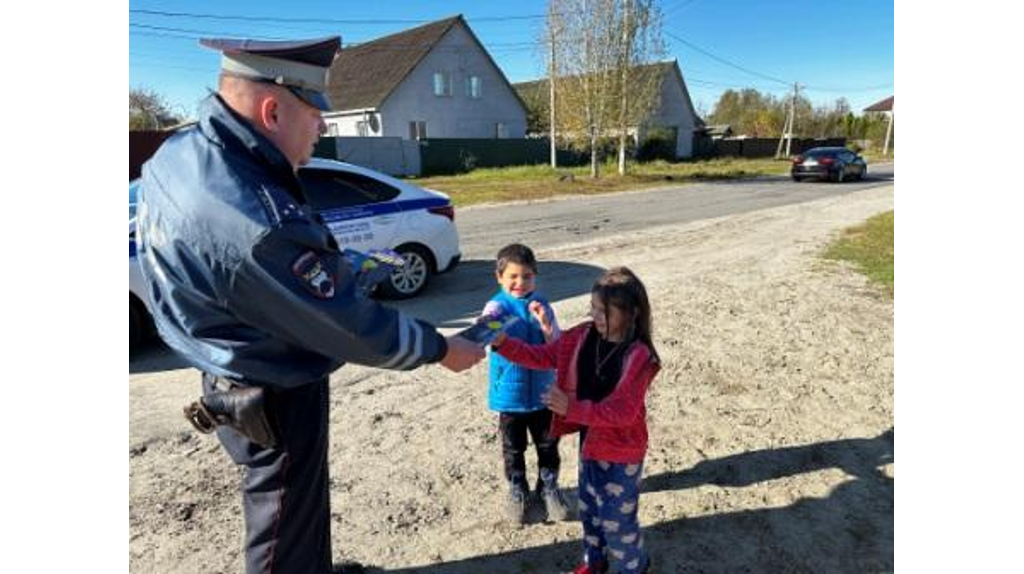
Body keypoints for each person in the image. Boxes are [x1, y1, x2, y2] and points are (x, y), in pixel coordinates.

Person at [135, 35, 485, 574]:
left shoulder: (179, 156)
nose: (323, 126)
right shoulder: (262, 219)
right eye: (316, 112)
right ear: (272, 110)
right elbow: (355, 329)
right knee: (280, 520)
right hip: (271, 386)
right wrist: (440, 348)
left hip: (225, 365)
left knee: (297, 507)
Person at [491, 267, 660, 574]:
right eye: (593, 308)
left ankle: (633, 567)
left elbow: (623, 412)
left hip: (623, 452)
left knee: (618, 523)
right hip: (591, 445)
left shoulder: (639, 357)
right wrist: (503, 343)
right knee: (590, 511)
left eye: (604, 311)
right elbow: (543, 356)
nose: (595, 316)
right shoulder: (582, 336)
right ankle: (594, 563)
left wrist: (571, 407)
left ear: (631, 313)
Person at [479, 243, 568, 524]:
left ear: (535, 276)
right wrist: (487, 326)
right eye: (513, 277)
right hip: (510, 396)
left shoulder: (541, 304)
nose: (520, 283)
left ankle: (548, 486)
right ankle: (518, 488)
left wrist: (545, 324)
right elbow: (484, 330)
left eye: (527, 276)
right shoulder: (496, 306)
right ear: (499, 277)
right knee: (513, 448)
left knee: (548, 444)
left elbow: (557, 345)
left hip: (543, 394)